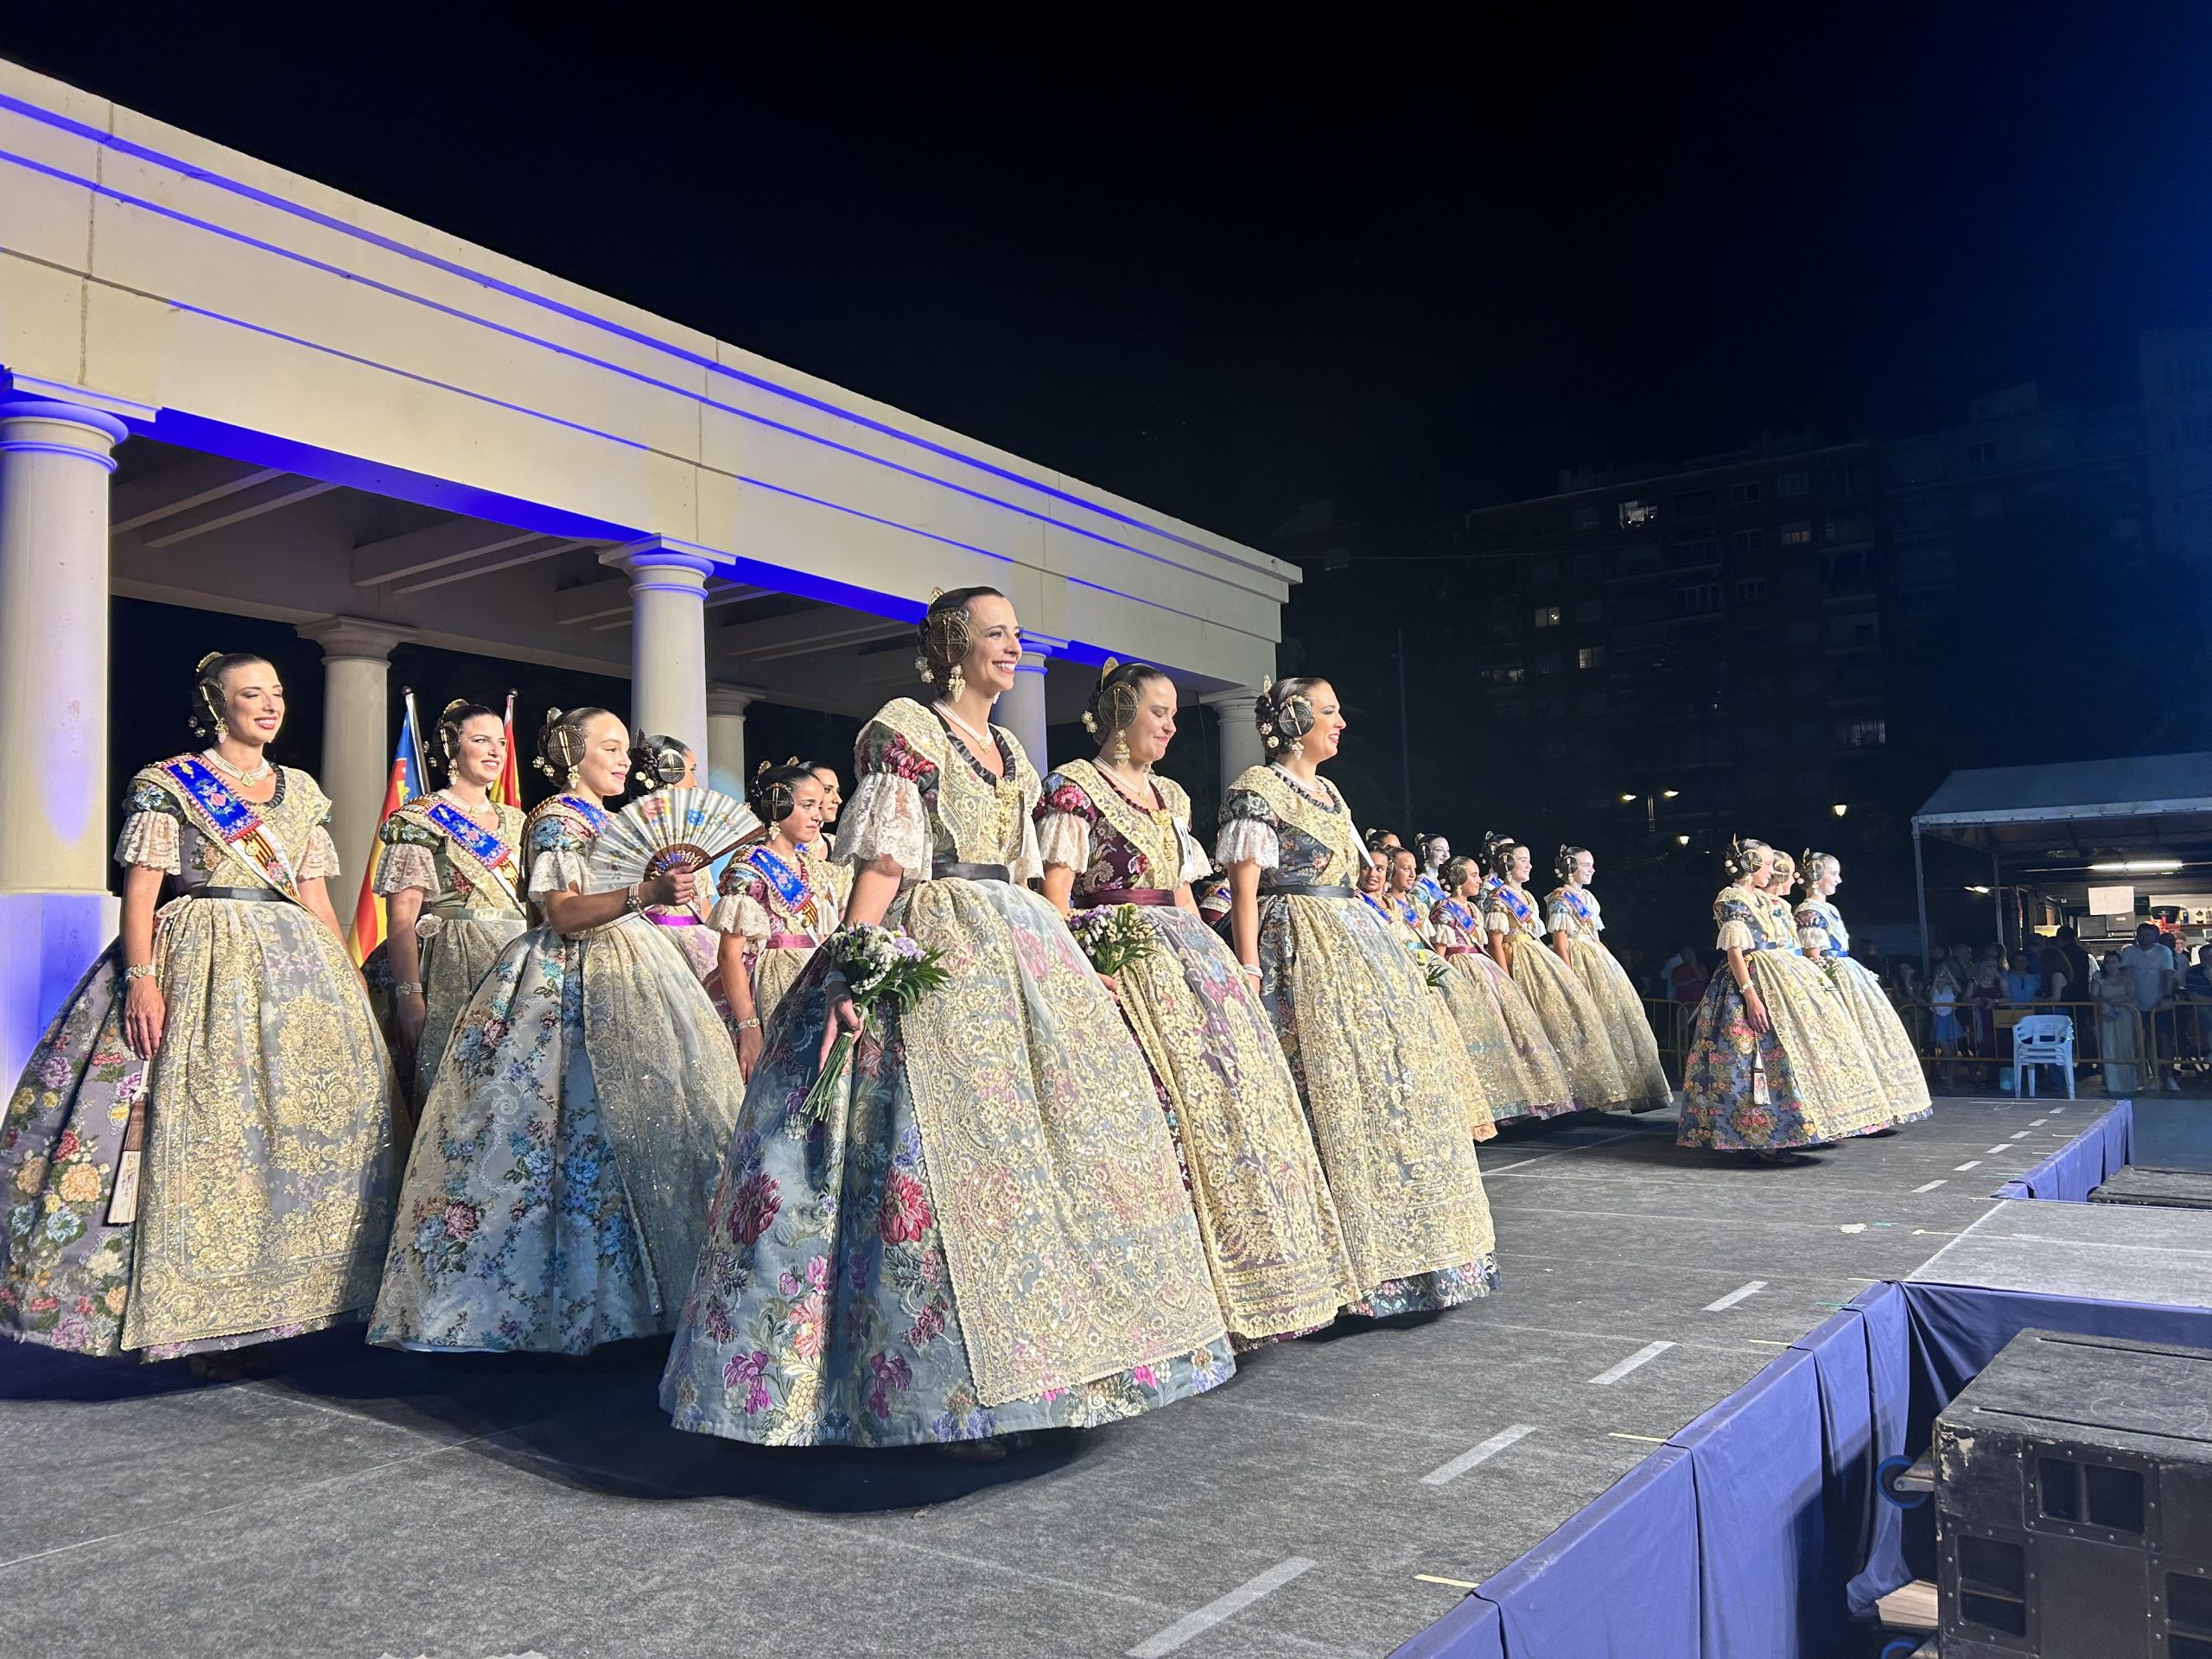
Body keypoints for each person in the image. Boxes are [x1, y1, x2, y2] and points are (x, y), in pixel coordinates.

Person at [664, 588, 1232, 1451]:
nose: (1012, 647)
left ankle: (1048, 1365)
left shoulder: (1012, 750)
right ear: (954, 645)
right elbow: (885, 864)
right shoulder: (909, 731)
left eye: (1015, 635)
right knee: (939, 1154)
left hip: (1016, 944)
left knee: (1034, 1155)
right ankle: (940, 1388)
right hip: (937, 939)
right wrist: (854, 963)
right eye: (996, 634)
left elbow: (1029, 869)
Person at [0, 652, 398, 1366]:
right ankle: (192, 1314)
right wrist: (142, 978)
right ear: (218, 706)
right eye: (252, 694)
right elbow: (143, 892)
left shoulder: (302, 792)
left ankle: (294, 1300)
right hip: (203, 957)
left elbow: (315, 898)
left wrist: (348, 981)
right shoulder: (170, 783)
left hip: (297, 969)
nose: (270, 706)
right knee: (212, 1129)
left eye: (277, 693)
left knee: (299, 1132)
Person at [369, 707, 748, 1354]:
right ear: (574, 754)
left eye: (625, 749)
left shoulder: (601, 821)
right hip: (571, 977)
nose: (624, 760)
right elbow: (563, 914)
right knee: (565, 1133)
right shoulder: (556, 820)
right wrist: (644, 894)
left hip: (632, 967)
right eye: (610, 748)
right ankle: (560, 1303)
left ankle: (637, 1300)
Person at [1037, 659, 1357, 1344]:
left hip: (1180, 954)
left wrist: (1215, 965)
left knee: (1226, 1101)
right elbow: (1055, 896)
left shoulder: (1171, 796)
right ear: (1121, 713)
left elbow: (1182, 890)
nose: (1171, 726)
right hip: (1116, 949)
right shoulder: (1072, 788)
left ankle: (1249, 1276)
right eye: (1159, 713)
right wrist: (1081, 967)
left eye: (1174, 714)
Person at [1216, 677, 1497, 1317]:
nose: (1340, 722)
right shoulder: (1256, 791)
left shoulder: (1331, 791)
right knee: (1322, 1088)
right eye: (1329, 711)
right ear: (1294, 720)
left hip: (1355, 941)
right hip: (1297, 947)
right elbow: (1245, 890)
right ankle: (1335, 1267)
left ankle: (1411, 1254)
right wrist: (1249, 968)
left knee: (1386, 1087)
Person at [369, 700, 530, 1122]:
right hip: (452, 962)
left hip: (518, 961)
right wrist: (409, 994)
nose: (495, 751)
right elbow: (401, 916)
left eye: (500, 743)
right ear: (452, 748)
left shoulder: (518, 821)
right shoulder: (421, 819)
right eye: (481, 741)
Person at [1676, 839, 1885, 1160]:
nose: (1771, 870)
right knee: (1747, 1058)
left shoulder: (1763, 900)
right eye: (1766, 864)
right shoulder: (1731, 898)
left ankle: (1790, 1130)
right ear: (1749, 866)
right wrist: (1750, 995)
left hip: (1780, 977)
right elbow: (1735, 952)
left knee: (1785, 1057)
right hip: (1748, 980)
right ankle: (1756, 1136)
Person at [1480, 835, 1634, 1112]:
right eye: (1523, 860)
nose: (1529, 865)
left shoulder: (1528, 896)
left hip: (1536, 956)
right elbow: (1496, 942)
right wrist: (1504, 979)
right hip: (1517, 957)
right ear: (1508, 864)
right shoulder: (1498, 898)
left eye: (1528, 860)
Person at [711, 761, 838, 1078]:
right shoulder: (750, 867)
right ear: (777, 806)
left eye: (819, 806)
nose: (818, 816)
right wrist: (749, 1026)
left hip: (814, 978)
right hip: (772, 986)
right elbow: (729, 954)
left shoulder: (813, 867)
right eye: (808, 806)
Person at [1430, 856, 1576, 1122]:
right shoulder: (1445, 908)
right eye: (1473, 875)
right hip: (1460, 968)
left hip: (1482, 966)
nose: (1479, 880)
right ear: (1458, 879)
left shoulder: (1473, 910)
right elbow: (1439, 953)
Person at [1792, 852, 1931, 1128]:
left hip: (1847, 973)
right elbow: (1812, 956)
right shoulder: (1809, 911)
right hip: (1833, 978)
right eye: (1833, 874)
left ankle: (1876, 1108)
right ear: (1817, 877)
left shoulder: (1828, 909)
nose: (1838, 880)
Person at [1544, 845, 1672, 1111]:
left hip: (1597, 958)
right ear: (1570, 868)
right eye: (1585, 865)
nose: (1591, 870)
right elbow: (1561, 943)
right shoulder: (1560, 898)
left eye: (1591, 864)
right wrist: (1568, 976)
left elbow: (1595, 934)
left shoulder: (1588, 897)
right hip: (1577, 957)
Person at [2117, 921, 2181, 1089]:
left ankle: (2168, 1075)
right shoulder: (2129, 952)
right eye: (2140, 934)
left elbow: (2168, 974)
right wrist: (2128, 997)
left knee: (2163, 1040)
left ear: (2155, 936)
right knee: (2141, 1041)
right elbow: (2125, 975)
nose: (2143, 938)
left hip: (2159, 1004)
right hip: (2136, 1004)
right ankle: (2148, 1075)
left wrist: (2166, 996)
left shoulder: (2163, 951)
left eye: (2147, 934)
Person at [2094, 950, 2145, 1092]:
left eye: (2114, 962)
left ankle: (2130, 1082)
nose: (2110, 965)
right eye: (2107, 962)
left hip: (2126, 1015)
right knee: (2108, 1047)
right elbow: (2093, 994)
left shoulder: (2127, 977)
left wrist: (2112, 1002)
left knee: (2127, 1047)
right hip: (2106, 1016)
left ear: (2119, 963)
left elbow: (2130, 995)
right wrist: (2102, 1004)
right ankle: (2112, 1083)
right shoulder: (2098, 976)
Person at [1413, 834, 1451, 906]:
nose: (1446, 855)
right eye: (1439, 850)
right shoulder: (1419, 887)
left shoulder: (1441, 883)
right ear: (1426, 853)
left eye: (1447, 850)